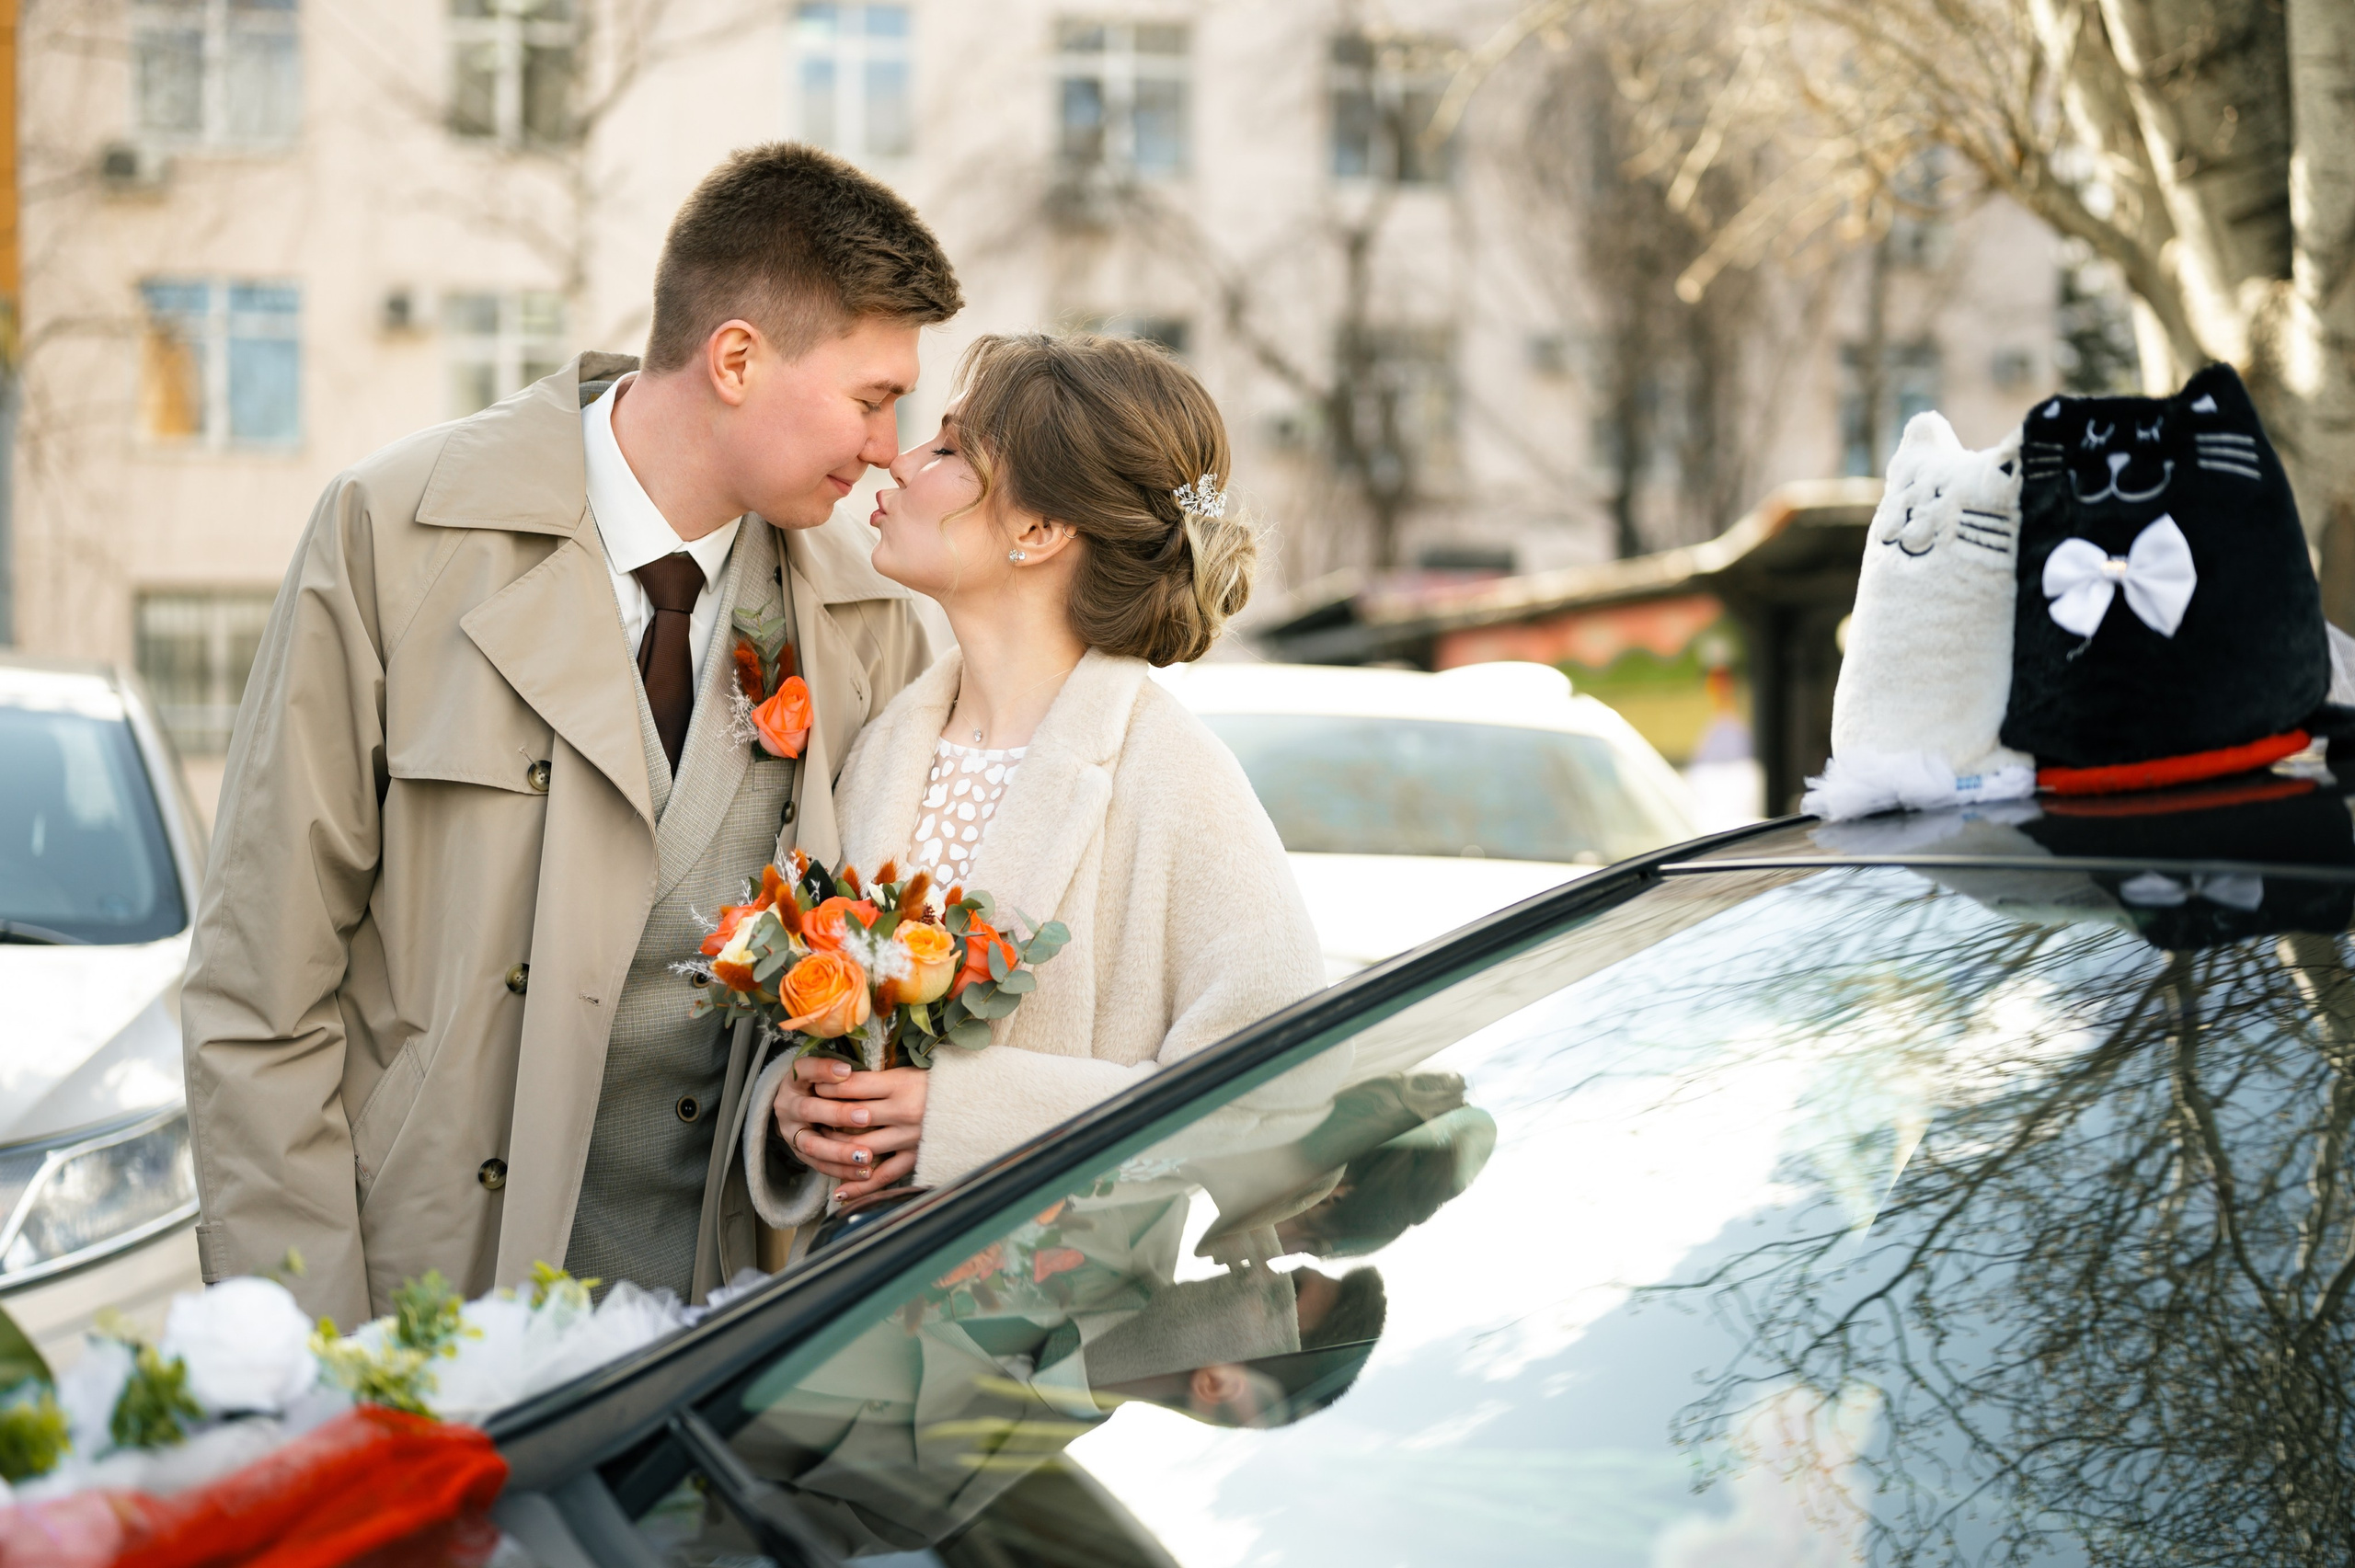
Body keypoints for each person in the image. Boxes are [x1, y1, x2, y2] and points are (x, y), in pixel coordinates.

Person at [180, 143, 959, 1327]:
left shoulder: (868, 617)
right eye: (869, 397)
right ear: (737, 358)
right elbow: (260, 984)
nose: (888, 445)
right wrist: (306, 1348)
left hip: (725, 1337)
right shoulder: (394, 535)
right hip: (427, 1314)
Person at [743, 332, 1324, 1223]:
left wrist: (973, 1117)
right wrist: (800, 1105)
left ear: (1039, 530)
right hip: (848, 1316)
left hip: (1069, 1342)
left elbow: (1277, 1101)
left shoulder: (1173, 775)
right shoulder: (882, 746)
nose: (895, 460)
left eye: (946, 448)